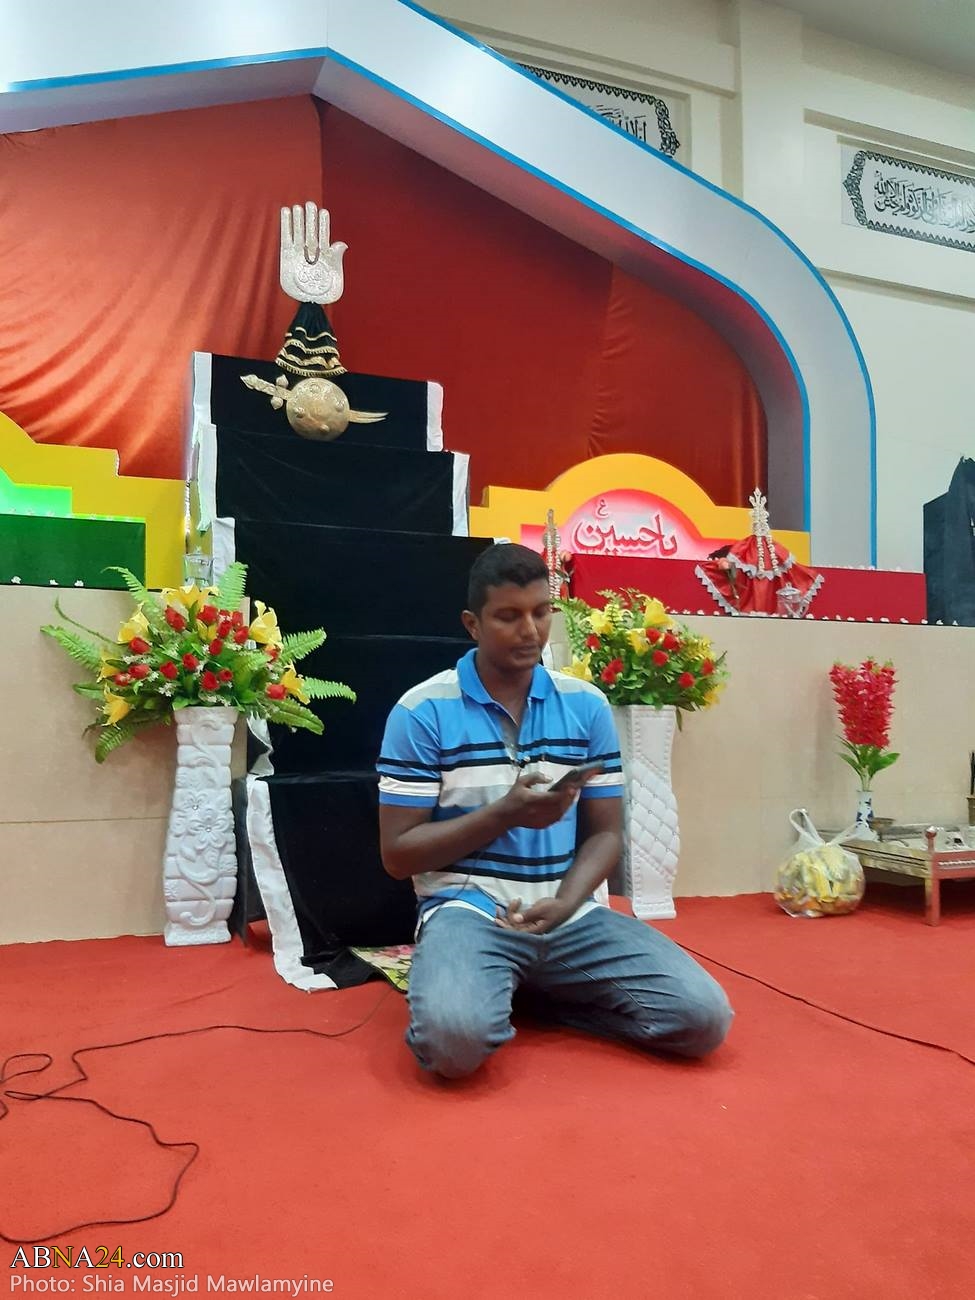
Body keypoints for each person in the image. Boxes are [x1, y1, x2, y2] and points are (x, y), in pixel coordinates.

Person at [377, 542, 732, 1078]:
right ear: (472, 624)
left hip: (569, 914)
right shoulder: (422, 711)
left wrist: (567, 902)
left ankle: (535, 998)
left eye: (541, 612)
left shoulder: (586, 705)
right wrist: (505, 814)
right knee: (452, 1045)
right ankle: (493, 990)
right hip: (468, 912)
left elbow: (606, 835)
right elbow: (398, 856)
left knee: (703, 1019)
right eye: (509, 616)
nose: (530, 631)